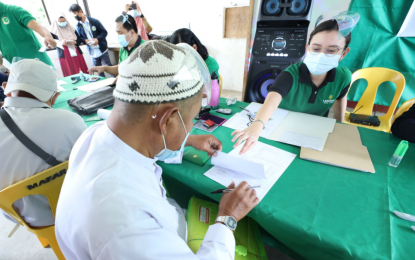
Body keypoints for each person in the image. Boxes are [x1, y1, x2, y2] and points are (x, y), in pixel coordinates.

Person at [55, 41, 258, 259]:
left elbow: (148, 148)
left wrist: (187, 140)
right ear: (167, 120)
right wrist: (227, 218)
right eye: (192, 119)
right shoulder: (130, 227)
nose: (191, 127)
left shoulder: (95, 133)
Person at [232, 19, 353, 154]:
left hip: (315, 130)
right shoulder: (291, 74)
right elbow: (272, 100)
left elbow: (340, 98)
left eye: (331, 50)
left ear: (343, 53)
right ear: (307, 48)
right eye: (316, 48)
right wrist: (257, 125)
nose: (321, 55)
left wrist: (340, 125)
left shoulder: (344, 77)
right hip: (281, 126)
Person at [0, 59, 87, 227]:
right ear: (54, 97)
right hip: (79, 211)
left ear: (5, 88)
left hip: (27, 219)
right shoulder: (70, 122)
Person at [69, 4, 112, 77]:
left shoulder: (94, 21)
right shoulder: (78, 26)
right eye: (73, 15)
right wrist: (85, 41)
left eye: (75, 14)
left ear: (80, 11)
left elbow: (104, 32)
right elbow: (81, 38)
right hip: (92, 52)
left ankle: (115, 83)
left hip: (102, 49)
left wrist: (97, 39)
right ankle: (105, 87)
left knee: (109, 68)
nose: (75, 17)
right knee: (98, 73)